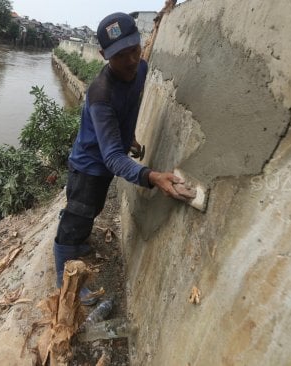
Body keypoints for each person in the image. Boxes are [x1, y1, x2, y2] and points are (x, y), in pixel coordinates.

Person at [53, 12, 196, 305]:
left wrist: (127, 135)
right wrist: (152, 176)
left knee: (89, 211)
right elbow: (113, 158)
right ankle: (64, 285)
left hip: (103, 162)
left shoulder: (140, 69)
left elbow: (129, 106)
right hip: (88, 168)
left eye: (134, 49)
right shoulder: (100, 95)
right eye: (121, 55)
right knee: (73, 223)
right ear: (105, 55)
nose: (131, 60)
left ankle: (79, 240)